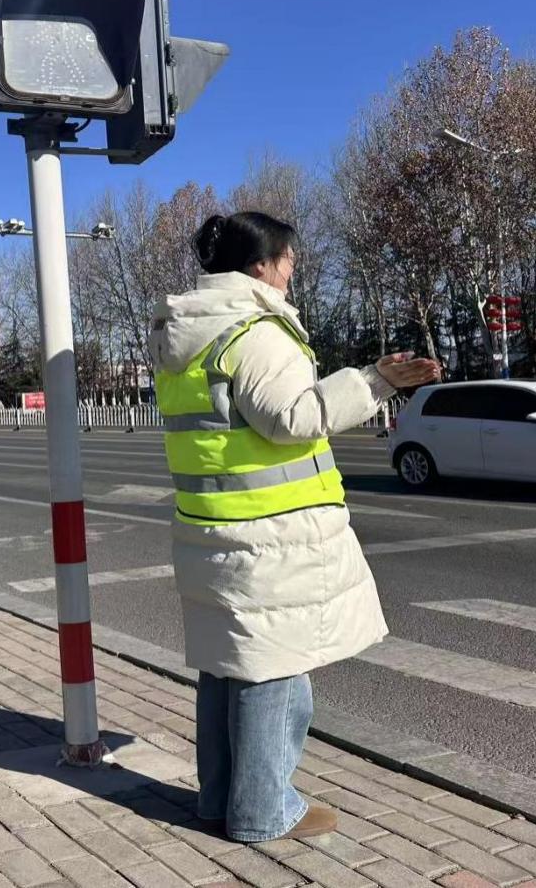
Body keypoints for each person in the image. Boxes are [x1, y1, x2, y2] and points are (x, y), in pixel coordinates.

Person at [149, 211, 441, 844]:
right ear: (261, 266)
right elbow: (292, 418)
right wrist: (375, 382)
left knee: (226, 669)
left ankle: (219, 800)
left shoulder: (185, 336)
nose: (291, 270)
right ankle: (263, 810)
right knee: (276, 672)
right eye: (287, 259)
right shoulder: (254, 331)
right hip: (270, 537)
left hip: (213, 529)